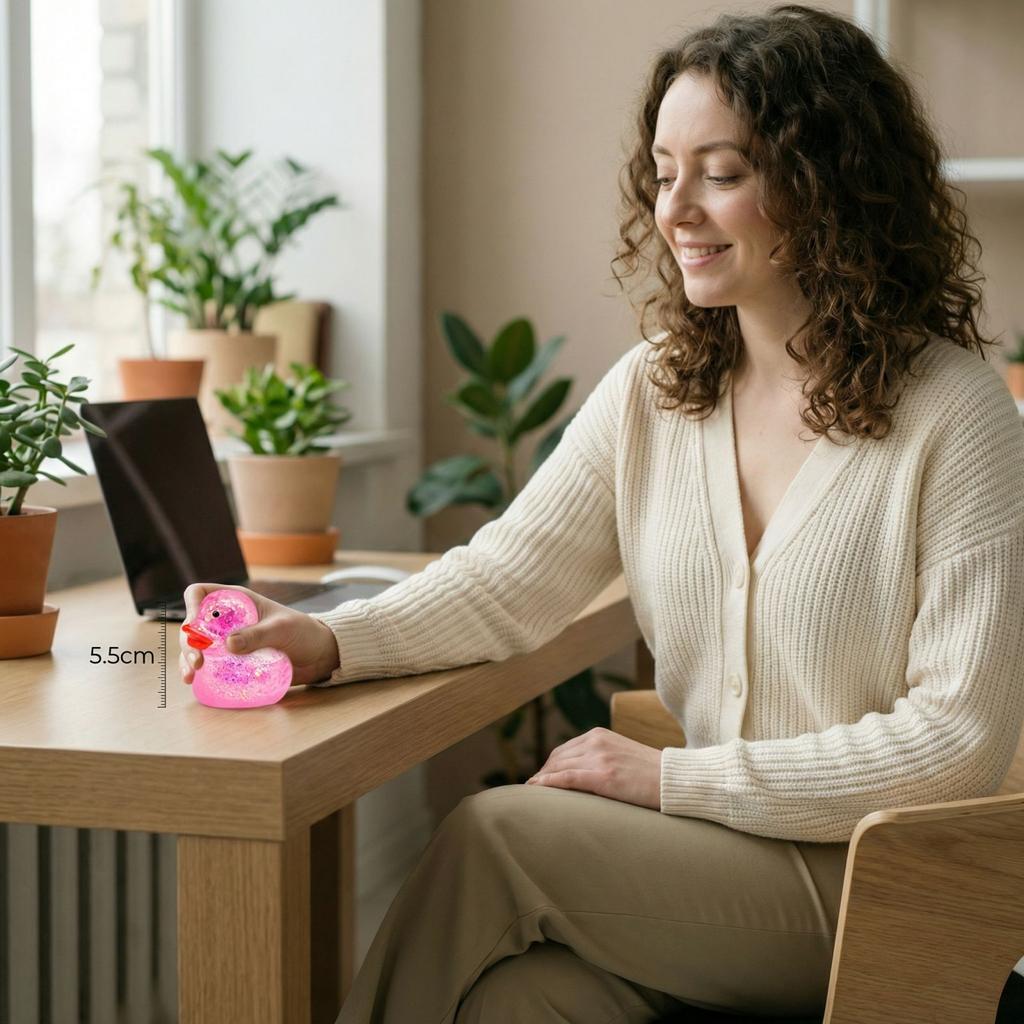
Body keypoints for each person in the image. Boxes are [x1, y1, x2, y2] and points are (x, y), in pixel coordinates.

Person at [179, 4, 1024, 1021]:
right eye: (664, 174)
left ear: (829, 184)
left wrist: (674, 780)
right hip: (708, 866)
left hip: (874, 886)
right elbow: (506, 582)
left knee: (496, 835)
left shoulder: (958, 415)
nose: (678, 210)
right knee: (519, 1000)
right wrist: (326, 639)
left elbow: (956, 742)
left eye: (722, 172)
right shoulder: (656, 390)